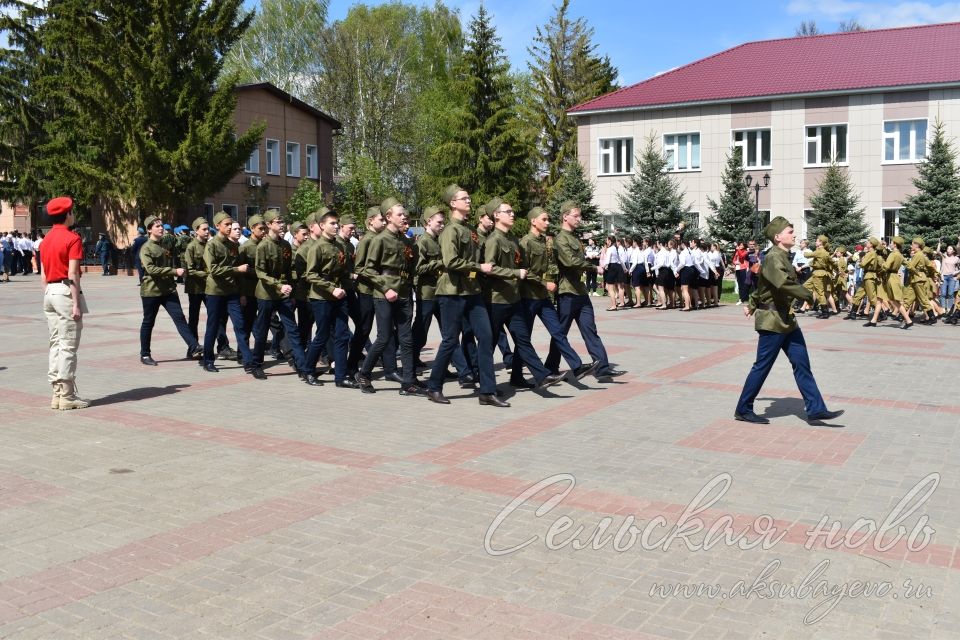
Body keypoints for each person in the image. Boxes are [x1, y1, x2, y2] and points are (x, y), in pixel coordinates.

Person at [734, 216, 843, 425]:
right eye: (790, 232)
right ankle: (743, 408)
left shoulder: (783, 256)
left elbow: (763, 285)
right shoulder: (774, 257)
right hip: (773, 321)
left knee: (802, 364)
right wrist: (809, 295)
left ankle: (816, 409)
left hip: (787, 320)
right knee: (762, 366)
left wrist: (753, 303)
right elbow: (783, 284)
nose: (794, 234)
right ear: (777, 237)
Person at [426, 185, 504, 406]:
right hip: (452, 292)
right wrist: (480, 267)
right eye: (464, 198)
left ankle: (487, 391)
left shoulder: (469, 230)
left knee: (487, 337)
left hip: (472, 292)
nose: (469, 201)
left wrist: (479, 270)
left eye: (469, 198)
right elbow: (450, 262)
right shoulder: (450, 230)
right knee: (450, 340)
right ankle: (433, 387)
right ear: (453, 203)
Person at [482, 199, 565, 390]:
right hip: (496, 300)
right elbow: (490, 268)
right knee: (490, 345)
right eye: (507, 211)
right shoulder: (493, 240)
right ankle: (485, 386)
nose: (512, 214)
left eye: (512, 211)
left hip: (514, 299)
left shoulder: (513, 239)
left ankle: (541, 376)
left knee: (523, 340)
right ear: (496, 215)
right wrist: (515, 273)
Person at [544, 201, 625, 382]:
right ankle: (550, 368)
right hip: (567, 292)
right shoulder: (560, 239)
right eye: (576, 215)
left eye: (580, 216)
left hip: (579, 291)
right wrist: (594, 268)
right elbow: (569, 261)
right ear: (565, 216)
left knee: (590, 330)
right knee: (561, 332)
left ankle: (602, 368)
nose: (579, 219)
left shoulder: (574, 238)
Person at [520, 206, 599, 381]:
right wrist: (544, 282)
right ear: (533, 221)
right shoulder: (525, 242)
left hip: (543, 296)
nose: (548, 223)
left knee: (558, 333)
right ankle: (517, 375)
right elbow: (523, 270)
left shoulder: (544, 241)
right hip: (528, 296)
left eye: (548, 219)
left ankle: (577, 368)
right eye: (544, 219)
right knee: (523, 338)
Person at [357, 198, 423, 396]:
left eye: (405, 214)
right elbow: (367, 270)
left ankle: (409, 382)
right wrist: (386, 289)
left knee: (407, 339)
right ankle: (364, 374)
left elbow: (411, 266)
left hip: (403, 293)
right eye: (400, 214)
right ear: (388, 217)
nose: (404, 217)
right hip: (384, 294)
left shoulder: (407, 240)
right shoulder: (379, 240)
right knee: (384, 338)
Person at [250, 210, 311, 382]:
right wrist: (279, 285)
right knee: (261, 332)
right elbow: (260, 272)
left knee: (292, 330)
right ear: (269, 225)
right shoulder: (263, 246)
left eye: (282, 221)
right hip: (266, 294)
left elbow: (287, 271)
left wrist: (291, 288)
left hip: (283, 294)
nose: (281, 224)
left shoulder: (285, 245)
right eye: (277, 221)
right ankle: (256, 364)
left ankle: (302, 367)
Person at [302, 209, 360, 389]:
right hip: (321, 297)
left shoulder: (339, 246)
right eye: (332, 224)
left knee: (342, 335)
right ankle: (308, 370)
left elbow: (342, 271)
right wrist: (331, 289)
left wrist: (347, 284)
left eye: (337, 224)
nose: (336, 226)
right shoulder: (316, 247)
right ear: (322, 226)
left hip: (339, 294)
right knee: (322, 335)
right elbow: (310, 275)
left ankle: (340, 377)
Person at [41, 196, 89, 410]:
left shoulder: (46, 239)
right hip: (64, 290)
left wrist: (49, 292)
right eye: (73, 211)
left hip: (50, 291)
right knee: (69, 345)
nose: (74, 215)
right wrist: (75, 302)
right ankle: (68, 396)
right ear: (67, 214)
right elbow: (72, 273)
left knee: (56, 343)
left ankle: (57, 394)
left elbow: (42, 273)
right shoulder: (73, 238)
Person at [137, 215, 202, 366]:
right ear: (149, 230)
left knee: (180, 319)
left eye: (162, 226)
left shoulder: (164, 245)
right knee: (148, 322)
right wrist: (174, 271)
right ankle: (145, 354)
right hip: (151, 291)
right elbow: (151, 269)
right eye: (157, 226)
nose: (161, 228)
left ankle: (194, 347)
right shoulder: (146, 248)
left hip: (168, 290)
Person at [201, 211, 254, 374]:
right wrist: (236, 269)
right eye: (227, 225)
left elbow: (239, 273)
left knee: (240, 325)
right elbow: (214, 270)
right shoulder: (212, 245)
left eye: (231, 224)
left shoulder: (234, 245)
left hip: (232, 292)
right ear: (217, 226)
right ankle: (208, 360)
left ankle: (248, 361)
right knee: (213, 326)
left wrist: (242, 293)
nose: (230, 227)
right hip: (215, 291)